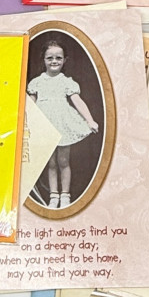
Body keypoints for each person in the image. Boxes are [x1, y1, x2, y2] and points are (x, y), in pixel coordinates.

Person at [27, 39, 99, 209]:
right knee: (51, 163)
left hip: (62, 124)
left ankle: (65, 195)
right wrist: (26, 122)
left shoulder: (66, 81)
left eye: (58, 58)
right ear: (43, 59)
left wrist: (90, 120)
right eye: (50, 58)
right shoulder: (37, 82)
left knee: (63, 161)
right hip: (45, 124)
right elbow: (30, 106)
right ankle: (54, 196)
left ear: (65, 60)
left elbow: (78, 101)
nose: (54, 61)